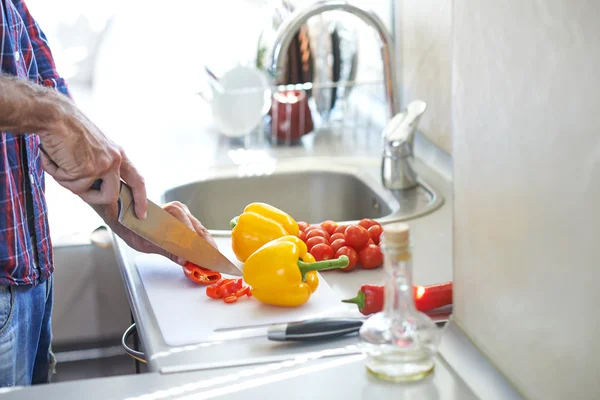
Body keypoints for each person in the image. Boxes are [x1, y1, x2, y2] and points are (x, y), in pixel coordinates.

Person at [0, 0, 216, 387]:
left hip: (31, 279)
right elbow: (48, 110)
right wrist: (55, 114)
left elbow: (35, 83)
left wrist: (123, 207)